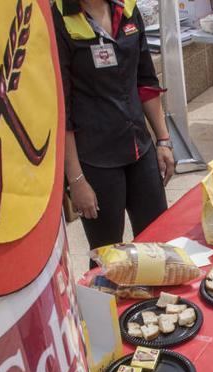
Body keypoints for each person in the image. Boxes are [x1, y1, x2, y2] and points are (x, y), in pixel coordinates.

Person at [53, 0, 175, 255]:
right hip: (96, 162)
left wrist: (163, 141)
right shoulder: (60, 17)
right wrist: (76, 180)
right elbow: (61, 109)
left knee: (160, 245)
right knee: (107, 259)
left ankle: (157, 297)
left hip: (140, 150)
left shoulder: (127, 8)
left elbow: (145, 80)